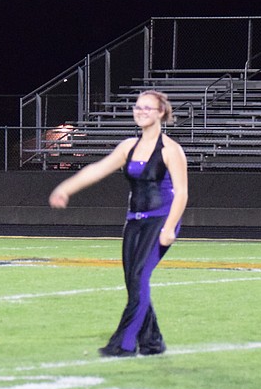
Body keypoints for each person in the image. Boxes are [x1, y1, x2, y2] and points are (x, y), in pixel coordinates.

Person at [49, 90, 188, 357]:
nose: (141, 112)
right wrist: (65, 188)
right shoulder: (128, 146)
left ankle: (124, 345)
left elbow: (182, 192)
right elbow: (97, 169)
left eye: (148, 108)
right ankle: (152, 341)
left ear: (161, 113)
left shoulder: (171, 149)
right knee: (133, 282)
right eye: (138, 107)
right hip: (134, 221)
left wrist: (170, 228)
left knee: (138, 277)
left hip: (161, 220)